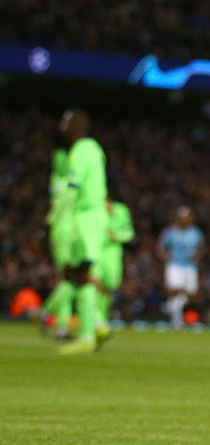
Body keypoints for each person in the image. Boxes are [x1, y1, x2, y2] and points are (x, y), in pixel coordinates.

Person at [56, 109, 111, 355]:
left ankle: (89, 334)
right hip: (93, 216)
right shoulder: (94, 149)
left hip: (85, 217)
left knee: (79, 274)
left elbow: (73, 186)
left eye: (66, 121)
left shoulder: (80, 150)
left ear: (77, 125)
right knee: (80, 274)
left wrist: (58, 218)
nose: (62, 125)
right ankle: (96, 326)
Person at [39, 144, 77, 339]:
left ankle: (55, 320)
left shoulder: (57, 181)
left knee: (69, 282)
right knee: (69, 280)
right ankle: (49, 315)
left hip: (65, 231)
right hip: (65, 232)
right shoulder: (63, 182)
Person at [158, 206, 204, 329]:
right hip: (175, 265)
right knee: (175, 289)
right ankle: (176, 321)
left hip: (190, 266)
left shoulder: (196, 233)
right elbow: (161, 247)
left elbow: (202, 247)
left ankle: (169, 307)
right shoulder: (171, 232)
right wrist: (165, 258)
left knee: (192, 292)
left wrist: (198, 256)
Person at [99, 196, 136, 328]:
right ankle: (97, 320)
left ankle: (101, 319)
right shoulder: (93, 211)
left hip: (112, 257)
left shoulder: (120, 210)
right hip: (94, 254)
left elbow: (129, 233)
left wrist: (115, 235)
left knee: (108, 287)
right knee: (94, 286)